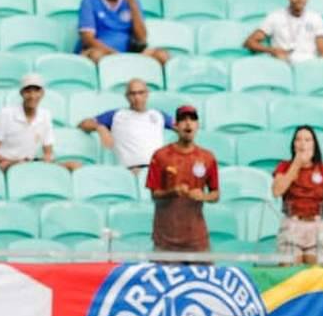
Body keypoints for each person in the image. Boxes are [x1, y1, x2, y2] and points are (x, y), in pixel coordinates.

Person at [144, 104, 217, 253]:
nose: (188, 123)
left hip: (197, 240)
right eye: (183, 120)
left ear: (197, 125)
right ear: (176, 126)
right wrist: (173, 191)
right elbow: (154, 195)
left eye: (192, 119)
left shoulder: (207, 157)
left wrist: (203, 196)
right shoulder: (161, 156)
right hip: (166, 240)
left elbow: (216, 194)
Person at [76, 0, 169, 66]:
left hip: (129, 53)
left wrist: (132, 3)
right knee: (96, 55)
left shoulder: (132, 1)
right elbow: (88, 39)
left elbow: (141, 38)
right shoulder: (89, 0)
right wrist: (115, 55)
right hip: (103, 53)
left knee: (162, 55)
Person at [271, 126, 323, 264]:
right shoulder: (284, 167)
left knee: (316, 273)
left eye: (307, 140)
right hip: (292, 224)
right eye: (298, 139)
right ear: (293, 144)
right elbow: (277, 191)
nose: (302, 144)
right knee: (289, 270)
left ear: (314, 145)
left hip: (316, 224)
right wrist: (296, 164)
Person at [76, 79, 169, 172]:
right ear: (127, 96)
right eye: (133, 94)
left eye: (141, 93)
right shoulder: (116, 115)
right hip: (130, 171)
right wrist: (100, 127)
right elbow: (83, 124)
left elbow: (180, 127)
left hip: (157, 170)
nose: (137, 97)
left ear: (147, 94)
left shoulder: (158, 115)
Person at [0, 73, 58, 170]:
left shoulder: (45, 115)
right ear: (21, 93)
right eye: (28, 91)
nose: (32, 96)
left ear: (42, 93)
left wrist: (45, 160)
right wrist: (14, 163)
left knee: (72, 165)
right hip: (6, 165)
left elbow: (48, 152)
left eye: (37, 91)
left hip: (29, 167)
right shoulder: (5, 114)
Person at [243, 0, 323, 63]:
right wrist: (272, 50)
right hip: (283, 64)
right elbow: (249, 42)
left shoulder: (316, 18)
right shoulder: (275, 16)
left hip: (308, 64)